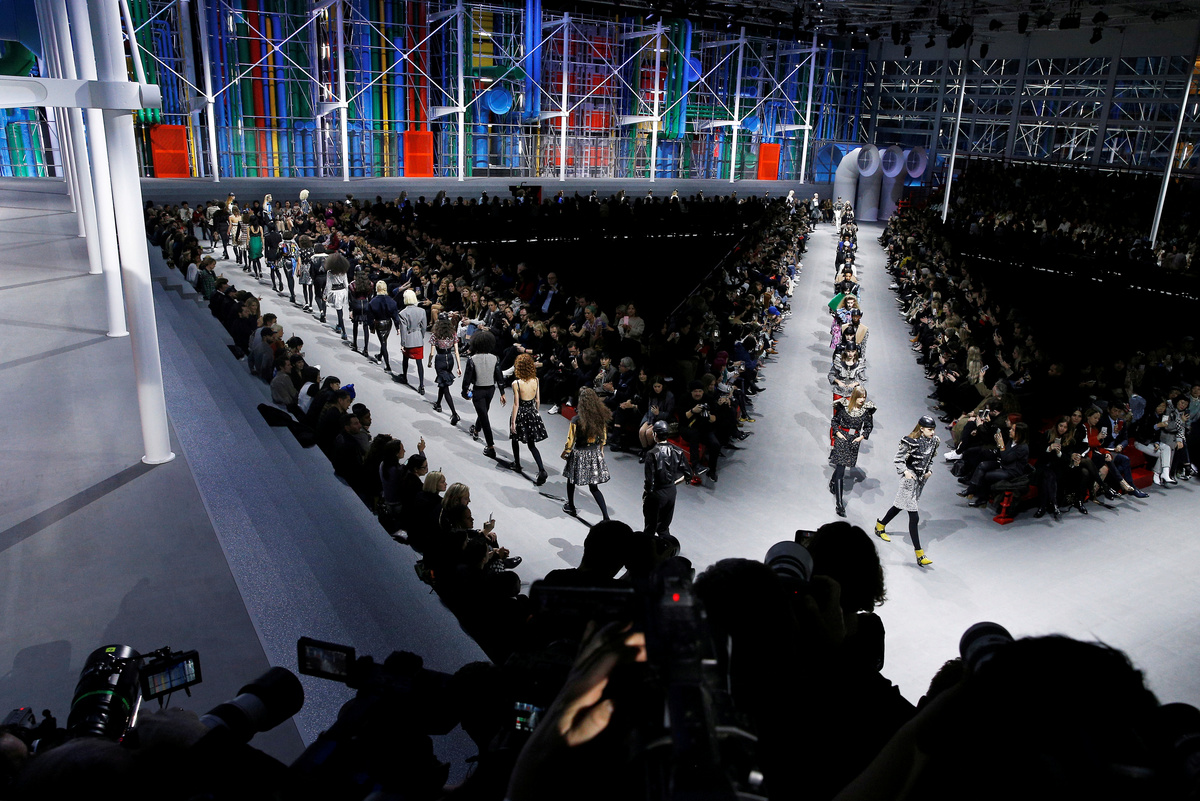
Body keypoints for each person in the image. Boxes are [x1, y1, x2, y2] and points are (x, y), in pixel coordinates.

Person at [875, 415, 940, 568]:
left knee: (899, 506)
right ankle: (920, 554)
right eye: (929, 429)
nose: (932, 432)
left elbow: (930, 459)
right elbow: (898, 459)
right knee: (914, 516)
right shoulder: (910, 441)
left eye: (933, 429)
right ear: (921, 428)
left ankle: (880, 526)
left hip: (920, 481)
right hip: (909, 480)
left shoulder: (934, 441)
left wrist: (929, 471)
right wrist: (905, 472)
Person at [561, 387, 611, 520]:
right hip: (594, 452)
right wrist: (601, 450)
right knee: (594, 487)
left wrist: (566, 452)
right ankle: (606, 517)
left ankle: (571, 506)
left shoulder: (576, 420)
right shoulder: (600, 418)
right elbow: (603, 437)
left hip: (579, 453)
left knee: (571, 480)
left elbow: (570, 440)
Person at [959, 422, 1032, 508]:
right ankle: (971, 489)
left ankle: (982, 499)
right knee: (982, 465)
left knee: (987, 475)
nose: (1010, 431)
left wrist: (1001, 445)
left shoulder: (1023, 448)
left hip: (1011, 471)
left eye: (1013, 430)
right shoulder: (1011, 441)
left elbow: (1006, 458)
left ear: (1019, 433)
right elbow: (1002, 454)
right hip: (1003, 464)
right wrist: (999, 445)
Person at [829, 387, 876, 517]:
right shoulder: (844, 407)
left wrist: (861, 437)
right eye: (860, 397)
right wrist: (838, 433)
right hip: (842, 438)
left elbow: (868, 426)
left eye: (864, 397)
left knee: (842, 465)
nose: (862, 400)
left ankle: (832, 481)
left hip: (854, 440)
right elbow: (834, 421)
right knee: (841, 469)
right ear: (855, 396)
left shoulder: (866, 411)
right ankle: (839, 504)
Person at [642, 420, 692, 537]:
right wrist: (674, 483)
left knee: (650, 528)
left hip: (656, 494)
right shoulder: (678, 451)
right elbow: (689, 474)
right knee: (664, 528)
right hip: (671, 492)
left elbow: (649, 480)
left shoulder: (652, 454)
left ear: (655, 434)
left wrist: (646, 493)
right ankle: (665, 546)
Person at [462, 329, 506, 457]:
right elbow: (499, 376)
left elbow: (467, 378)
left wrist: (465, 392)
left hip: (478, 390)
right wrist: (502, 392)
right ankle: (476, 430)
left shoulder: (472, 359)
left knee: (484, 417)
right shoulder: (495, 358)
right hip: (491, 390)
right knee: (484, 412)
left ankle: (491, 446)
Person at [508, 353, 549, 485]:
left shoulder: (516, 383)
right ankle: (542, 470)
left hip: (521, 414)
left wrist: (513, 422)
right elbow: (537, 400)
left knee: (515, 439)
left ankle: (517, 464)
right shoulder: (536, 380)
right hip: (532, 413)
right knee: (532, 445)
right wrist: (536, 413)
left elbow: (516, 404)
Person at [428, 315, 462, 425]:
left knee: (445, 388)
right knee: (443, 384)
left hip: (440, 360)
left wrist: (429, 362)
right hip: (450, 360)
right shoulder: (453, 333)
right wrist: (459, 366)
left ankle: (454, 413)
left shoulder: (435, 334)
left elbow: (432, 353)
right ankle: (438, 404)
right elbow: (456, 352)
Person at [396, 289, 428, 392]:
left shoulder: (402, 313)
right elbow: (424, 327)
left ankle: (404, 377)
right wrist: (421, 336)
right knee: (419, 363)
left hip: (408, 340)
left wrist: (403, 343)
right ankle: (421, 385)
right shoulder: (422, 311)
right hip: (418, 339)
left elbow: (403, 330)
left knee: (405, 359)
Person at [366, 280, 401, 373]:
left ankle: (387, 365)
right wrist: (397, 327)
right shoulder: (392, 301)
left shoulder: (373, 302)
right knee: (384, 340)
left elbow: (370, 316)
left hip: (379, 323)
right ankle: (380, 356)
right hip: (389, 323)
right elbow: (395, 315)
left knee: (383, 343)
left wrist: (371, 326)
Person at [324, 251, 350, 338]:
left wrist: (325, 295)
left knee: (339, 312)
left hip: (335, 292)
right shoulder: (344, 272)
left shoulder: (329, 272)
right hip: (343, 292)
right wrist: (348, 294)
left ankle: (343, 331)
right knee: (340, 310)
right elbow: (346, 284)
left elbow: (328, 285)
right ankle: (339, 325)